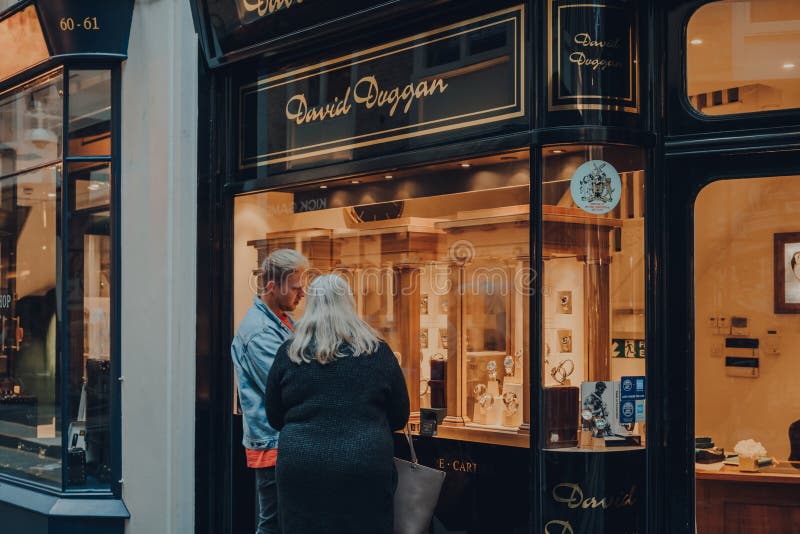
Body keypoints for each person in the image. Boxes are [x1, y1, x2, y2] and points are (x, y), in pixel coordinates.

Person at [265, 274, 410, 534]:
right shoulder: (377, 352)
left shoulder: (289, 353)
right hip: (365, 467)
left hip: (301, 469)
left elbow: (274, 417)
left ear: (311, 306)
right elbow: (400, 416)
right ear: (349, 304)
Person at [231, 249, 309, 534]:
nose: (302, 294)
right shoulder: (259, 332)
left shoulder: (283, 321)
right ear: (273, 287)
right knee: (273, 524)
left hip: (282, 442)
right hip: (272, 446)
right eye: (296, 287)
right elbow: (286, 387)